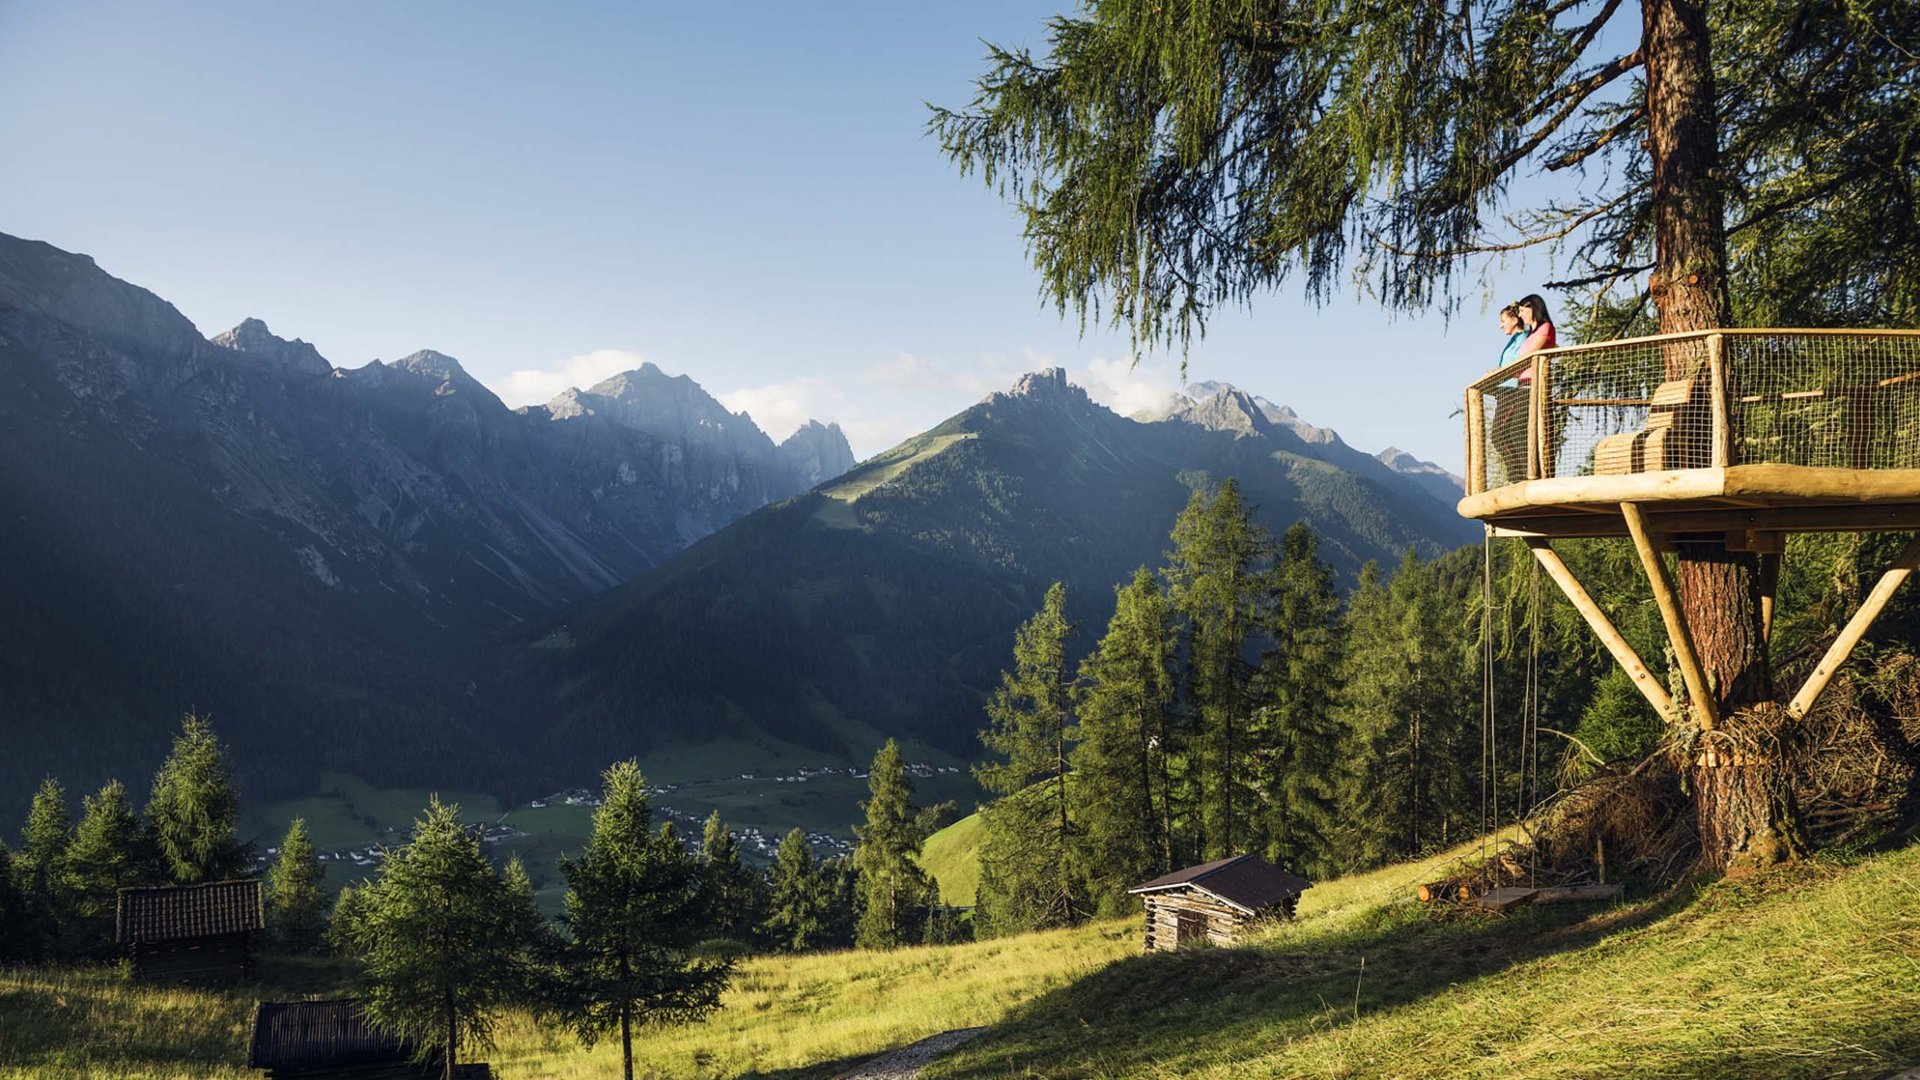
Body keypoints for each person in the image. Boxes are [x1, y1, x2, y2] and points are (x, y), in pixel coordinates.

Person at [1489, 301, 1532, 484]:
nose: (1501, 325)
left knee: (1504, 434)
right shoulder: (1513, 340)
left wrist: (1498, 374)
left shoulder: (1524, 337)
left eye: (1503, 320)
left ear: (1515, 319)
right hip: (1504, 391)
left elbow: (1520, 362)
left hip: (1514, 391)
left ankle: (1520, 475)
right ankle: (1515, 476)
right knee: (1499, 436)